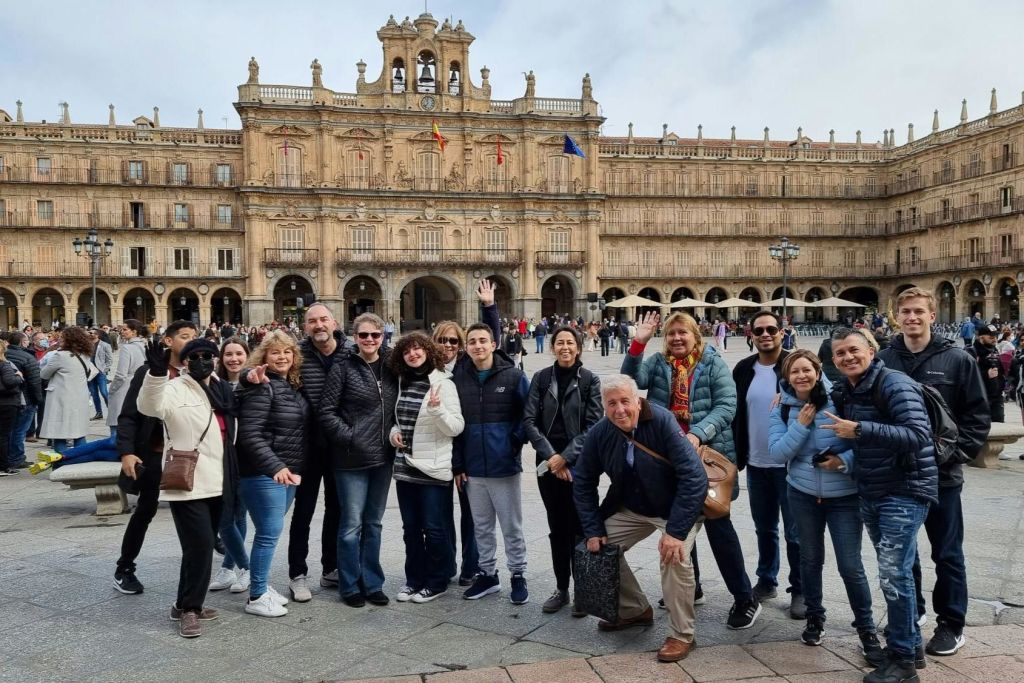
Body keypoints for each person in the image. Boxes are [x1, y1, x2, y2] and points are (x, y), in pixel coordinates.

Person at [621, 311, 760, 630]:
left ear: (696, 336)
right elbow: (632, 381)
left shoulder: (712, 363)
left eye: (683, 333)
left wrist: (698, 433)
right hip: (667, 458)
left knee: (718, 526)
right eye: (671, 334)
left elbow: (727, 405)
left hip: (706, 457)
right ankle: (692, 587)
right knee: (679, 523)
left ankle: (744, 598)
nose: (677, 339)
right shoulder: (658, 364)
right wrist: (638, 344)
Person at [878, 288, 989, 657]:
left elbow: (977, 416)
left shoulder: (958, 360)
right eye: (905, 312)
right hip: (898, 476)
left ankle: (951, 624)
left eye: (918, 312)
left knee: (947, 553)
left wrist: (953, 454)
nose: (912, 318)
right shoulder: (884, 359)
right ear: (897, 316)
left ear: (931, 314)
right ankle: (913, 614)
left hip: (942, 477)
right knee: (903, 554)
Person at [828, 327, 938, 682]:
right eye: (840, 353)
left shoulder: (894, 383)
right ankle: (909, 649)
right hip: (874, 489)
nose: (848, 357)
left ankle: (904, 663)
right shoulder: (849, 387)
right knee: (897, 573)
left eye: (854, 350)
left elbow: (918, 435)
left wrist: (860, 430)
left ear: (871, 351)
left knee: (893, 575)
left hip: (904, 489)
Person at [574, 374, 707, 663]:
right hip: (632, 506)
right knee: (595, 550)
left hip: (674, 508)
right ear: (603, 406)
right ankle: (635, 610)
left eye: (625, 401)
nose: (619, 409)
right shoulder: (600, 433)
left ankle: (682, 634)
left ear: (638, 400)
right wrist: (593, 529)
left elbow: (694, 477)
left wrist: (676, 531)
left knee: (675, 555)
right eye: (612, 404)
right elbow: (582, 481)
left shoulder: (662, 421)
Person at [768, 350, 884, 666]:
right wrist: (801, 425)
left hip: (844, 496)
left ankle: (866, 628)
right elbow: (778, 454)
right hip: (802, 494)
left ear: (818, 372)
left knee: (850, 565)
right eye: (795, 372)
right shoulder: (780, 408)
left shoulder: (841, 399)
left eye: (807, 370)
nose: (801, 376)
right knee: (810, 558)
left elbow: (865, 444)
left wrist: (843, 461)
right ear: (787, 377)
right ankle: (815, 618)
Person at [137, 337, 238, 638]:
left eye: (208, 355)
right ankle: (192, 609)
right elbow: (149, 406)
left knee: (196, 548)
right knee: (201, 546)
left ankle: (182, 604)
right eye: (194, 356)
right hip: (189, 481)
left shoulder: (221, 388)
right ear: (184, 362)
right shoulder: (172, 388)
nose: (202, 360)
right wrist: (155, 374)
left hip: (220, 480)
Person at [112, 321, 198, 595]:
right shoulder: (149, 372)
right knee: (145, 511)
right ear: (169, 342)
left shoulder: (198, 372)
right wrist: (127, 452)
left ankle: (207, 563)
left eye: (194, 337)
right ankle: (124, 568)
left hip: (186, 457)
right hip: (154, 455)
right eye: (185, 337)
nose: (191, 341)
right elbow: (128, 415)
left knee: (194, 515)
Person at [320, 312, 398, 608]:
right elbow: (327, 412)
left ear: (383, 337)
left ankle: (373, 582)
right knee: (351, 524)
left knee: (374, 523)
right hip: (350, 458)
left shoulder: (392, 366)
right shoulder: (343, 368)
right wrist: (351, 436)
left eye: (374, 335)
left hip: (383, 458)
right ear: (354, 337)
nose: (369, 340)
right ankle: (350, 584)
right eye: (363, 335)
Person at [523, 326, 602, 614]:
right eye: (560, 342)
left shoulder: (590, 381)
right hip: (547, 466)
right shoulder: (541, 378)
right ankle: (561, 588)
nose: (565, 347)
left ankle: (583, 591)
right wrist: (552, 458)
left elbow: (593, 426)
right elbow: (529, 421)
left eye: (570, 342)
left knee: (580, 529)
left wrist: (566, 458)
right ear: (552, 347)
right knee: (557, 528)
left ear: (579, 347)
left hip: (580, 466)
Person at [731, 311, 803, 618]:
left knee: (795, 531)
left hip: (790, 464)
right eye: (759, 330)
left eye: (771, 329)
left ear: (781, 331)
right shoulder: (743, 369)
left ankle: (800, 588)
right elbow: (735, 412)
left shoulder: (794, 366)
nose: (765, 334)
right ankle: (767, 578)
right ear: (751, 334)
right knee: (765, 528)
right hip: (757, 462)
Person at [452, 322, 530, 604]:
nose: (478, 346)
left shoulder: (513, 376)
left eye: (483, 340)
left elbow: (529, 413)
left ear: (493, 344)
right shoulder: (459, 378)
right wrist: (458, 465)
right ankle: (488, 574)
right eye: (472, 341)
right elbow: (456, 427)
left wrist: (513, 442)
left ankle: (518, 574)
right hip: (473, 466)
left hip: (503, 464)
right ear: (467, 347)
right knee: (481, 525)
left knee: (511, 525)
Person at [431, 280, 500, 585]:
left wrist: (489, 308)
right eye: (442, 341)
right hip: (433, 453)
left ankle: (471, 566)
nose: (447, 346)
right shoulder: (424, 370)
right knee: (439, 516)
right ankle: (445, 565)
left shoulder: (467, 369)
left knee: (471, 515)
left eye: (453, 342)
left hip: (462, 453)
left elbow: (490, 343)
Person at [236, 331, 309, 617]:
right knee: (268, 532)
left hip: (287, 472)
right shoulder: (261, 385)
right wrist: (275, 467)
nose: (282, 357)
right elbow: (250, 435)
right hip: (263, 472)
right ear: (263, 357)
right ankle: (256, 595)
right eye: (275, 352)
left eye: (287, 352)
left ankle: (262, 585)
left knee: (271, 530)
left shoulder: (288, 384)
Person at [389, 332, 464, 603]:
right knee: (410, 528)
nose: (413, 354)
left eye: (418, 349)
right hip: (405, 465)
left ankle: (437, 580)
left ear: (428, 352)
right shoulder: (402, 381)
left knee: (434, 528)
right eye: (408, 350)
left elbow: (456, 426)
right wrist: (393, 432)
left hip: (433, 467)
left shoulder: (444, 384)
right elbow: (399, 419)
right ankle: (414, 579)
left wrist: (437, 411)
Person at [285, 304, 350, 602]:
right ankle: (297, 574)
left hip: (339, 446)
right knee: (304, 512)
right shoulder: (296, 354)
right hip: (306, 448)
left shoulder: (351, 352)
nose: (318, 325)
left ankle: (331, 568)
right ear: (305, 326)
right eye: (312, 321)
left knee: (336, 510)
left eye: (323, 319)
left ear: (334, 323)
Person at [209, 337, 253, 595]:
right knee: (225, 516)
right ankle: (244, 567)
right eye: (228, 354)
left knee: (239, 514)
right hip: (221, 458)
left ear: (248, 355)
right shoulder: (214, 384)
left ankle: (228, 567)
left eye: (239, 353)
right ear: (221, 358)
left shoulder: (256, 382)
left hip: (247, 457)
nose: (234, 359)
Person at [38, 326, 99, 454]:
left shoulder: (60, 356)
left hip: (61, 398)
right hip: (80, 397)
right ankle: (79, 463)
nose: (60, 339)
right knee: (79, 432)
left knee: (59, 433)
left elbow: (44, 374)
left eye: (62, 337)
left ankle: (61, 464)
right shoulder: (85, 355)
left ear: (68, 340)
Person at [5, 332, 42, 470]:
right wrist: (38, 399)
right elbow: (34, 381)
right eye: (26, 340)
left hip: (8, 398)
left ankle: (7, 456)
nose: (28, 342)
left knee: (9, 430)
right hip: (25, 398)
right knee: (20, 430)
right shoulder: (28, 357)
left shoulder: (5, 354)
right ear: (22, 342)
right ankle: (17, 458)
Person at [965, 323, 1006, 423]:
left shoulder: (995, 350)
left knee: (1000, 429)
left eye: (995, 336)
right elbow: (966, 375)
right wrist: (985, 374)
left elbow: (1000, 372)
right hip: (979, 398)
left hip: (996, 398)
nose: (994, 339)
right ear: (981, 337)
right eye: (991, 336)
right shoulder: (971, 352)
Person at [0, 340, 25, 475]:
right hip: (7, 403)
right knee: (4, 435)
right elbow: (9, 382)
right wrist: (18, 377)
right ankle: (4, 465)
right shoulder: (4, 365)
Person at [89, 329, 113, 420]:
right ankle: (99, 413)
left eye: (92, 333)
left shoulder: (105, 345)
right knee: (94, 393)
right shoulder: (87, 344)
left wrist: (104, 370)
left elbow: (110, 359)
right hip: (90, 372)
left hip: (100, 372)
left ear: (97, 335)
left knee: (104, 392)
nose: (90, 334)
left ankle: (111, 411)